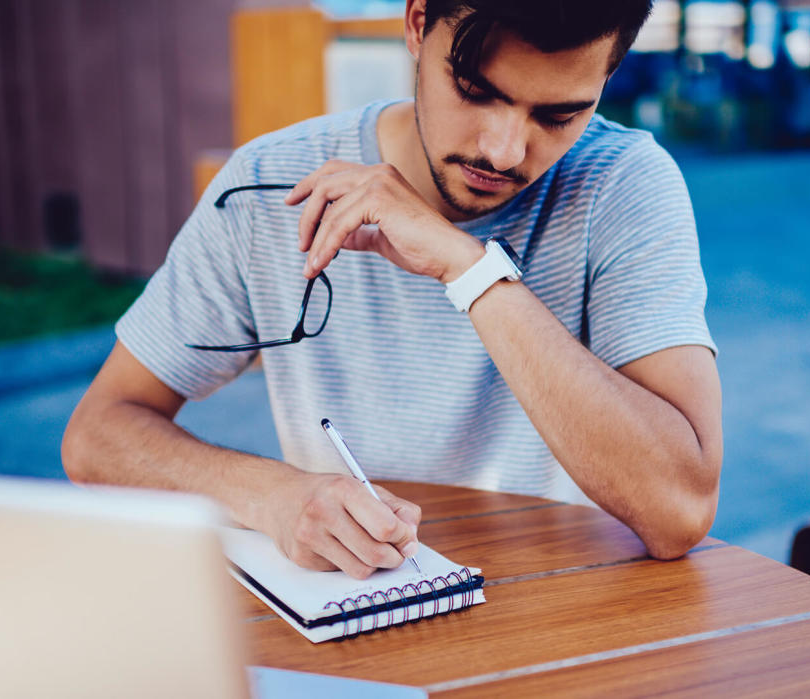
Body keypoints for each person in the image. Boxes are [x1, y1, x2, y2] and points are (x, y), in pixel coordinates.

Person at [63, 0, 722, 579]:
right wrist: (276, 496)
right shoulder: (272, 185)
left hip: (562, 614)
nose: (502, 149)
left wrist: (470, 270)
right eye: (475, 90)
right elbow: (97, 436)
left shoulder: (623, 185)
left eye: (559, 115)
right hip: (357, 609)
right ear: (416, 23)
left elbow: (679, 511)